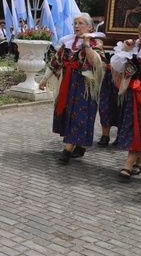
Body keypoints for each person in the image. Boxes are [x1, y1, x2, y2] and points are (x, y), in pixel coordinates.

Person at [38, 13, 105, 163]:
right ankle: (80, 146)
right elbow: (56, 61)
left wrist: (87, 43)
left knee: (79, 116)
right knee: (70, 114)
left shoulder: (96, 43)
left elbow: (95, 63)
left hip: (85, 86)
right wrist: (44, 79)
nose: (76, 26)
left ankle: (67, 151)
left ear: (89, 27)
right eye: (75, 23)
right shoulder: (68, 43)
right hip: (68, 83)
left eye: (81, 23)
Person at [109, 19, 141, 181]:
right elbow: (118, 67)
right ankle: (139, 161)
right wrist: (125, 50)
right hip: (133, 95)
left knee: (140, 128)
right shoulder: (134, 49)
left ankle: (128, 164)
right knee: (133, 126)